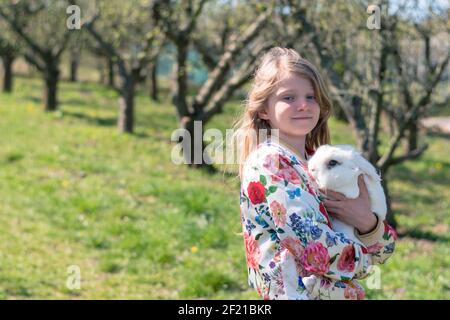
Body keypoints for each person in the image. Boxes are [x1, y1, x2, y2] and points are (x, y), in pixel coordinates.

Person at [235, 47, 397, 300]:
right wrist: (365, 259)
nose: (303, 105)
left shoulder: (320, 162)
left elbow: (385, 247)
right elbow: (312, 245)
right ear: (264, 109)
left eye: (311, 97)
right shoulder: (271, 163)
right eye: (289, 98)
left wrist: (368, 222)